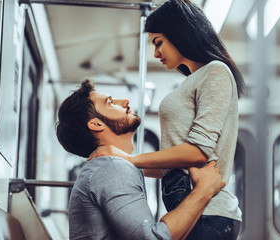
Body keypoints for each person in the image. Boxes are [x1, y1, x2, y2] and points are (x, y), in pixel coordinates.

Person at [89, 1, 246, 239]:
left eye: (158, 42)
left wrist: (129, 158)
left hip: (209, 213)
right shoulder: (196, 79)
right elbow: (175, 166)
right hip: (198, 210)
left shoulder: (216, 72)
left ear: (179, 33)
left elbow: (198, 152)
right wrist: (120, 164)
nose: (155, 53)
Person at [56, 79, 226, 240]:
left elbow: (164, 167)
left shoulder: (107, 167)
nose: (125, 101)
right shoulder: (111, 169)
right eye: (110, 102)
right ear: (96, 124)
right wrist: (205, 189)